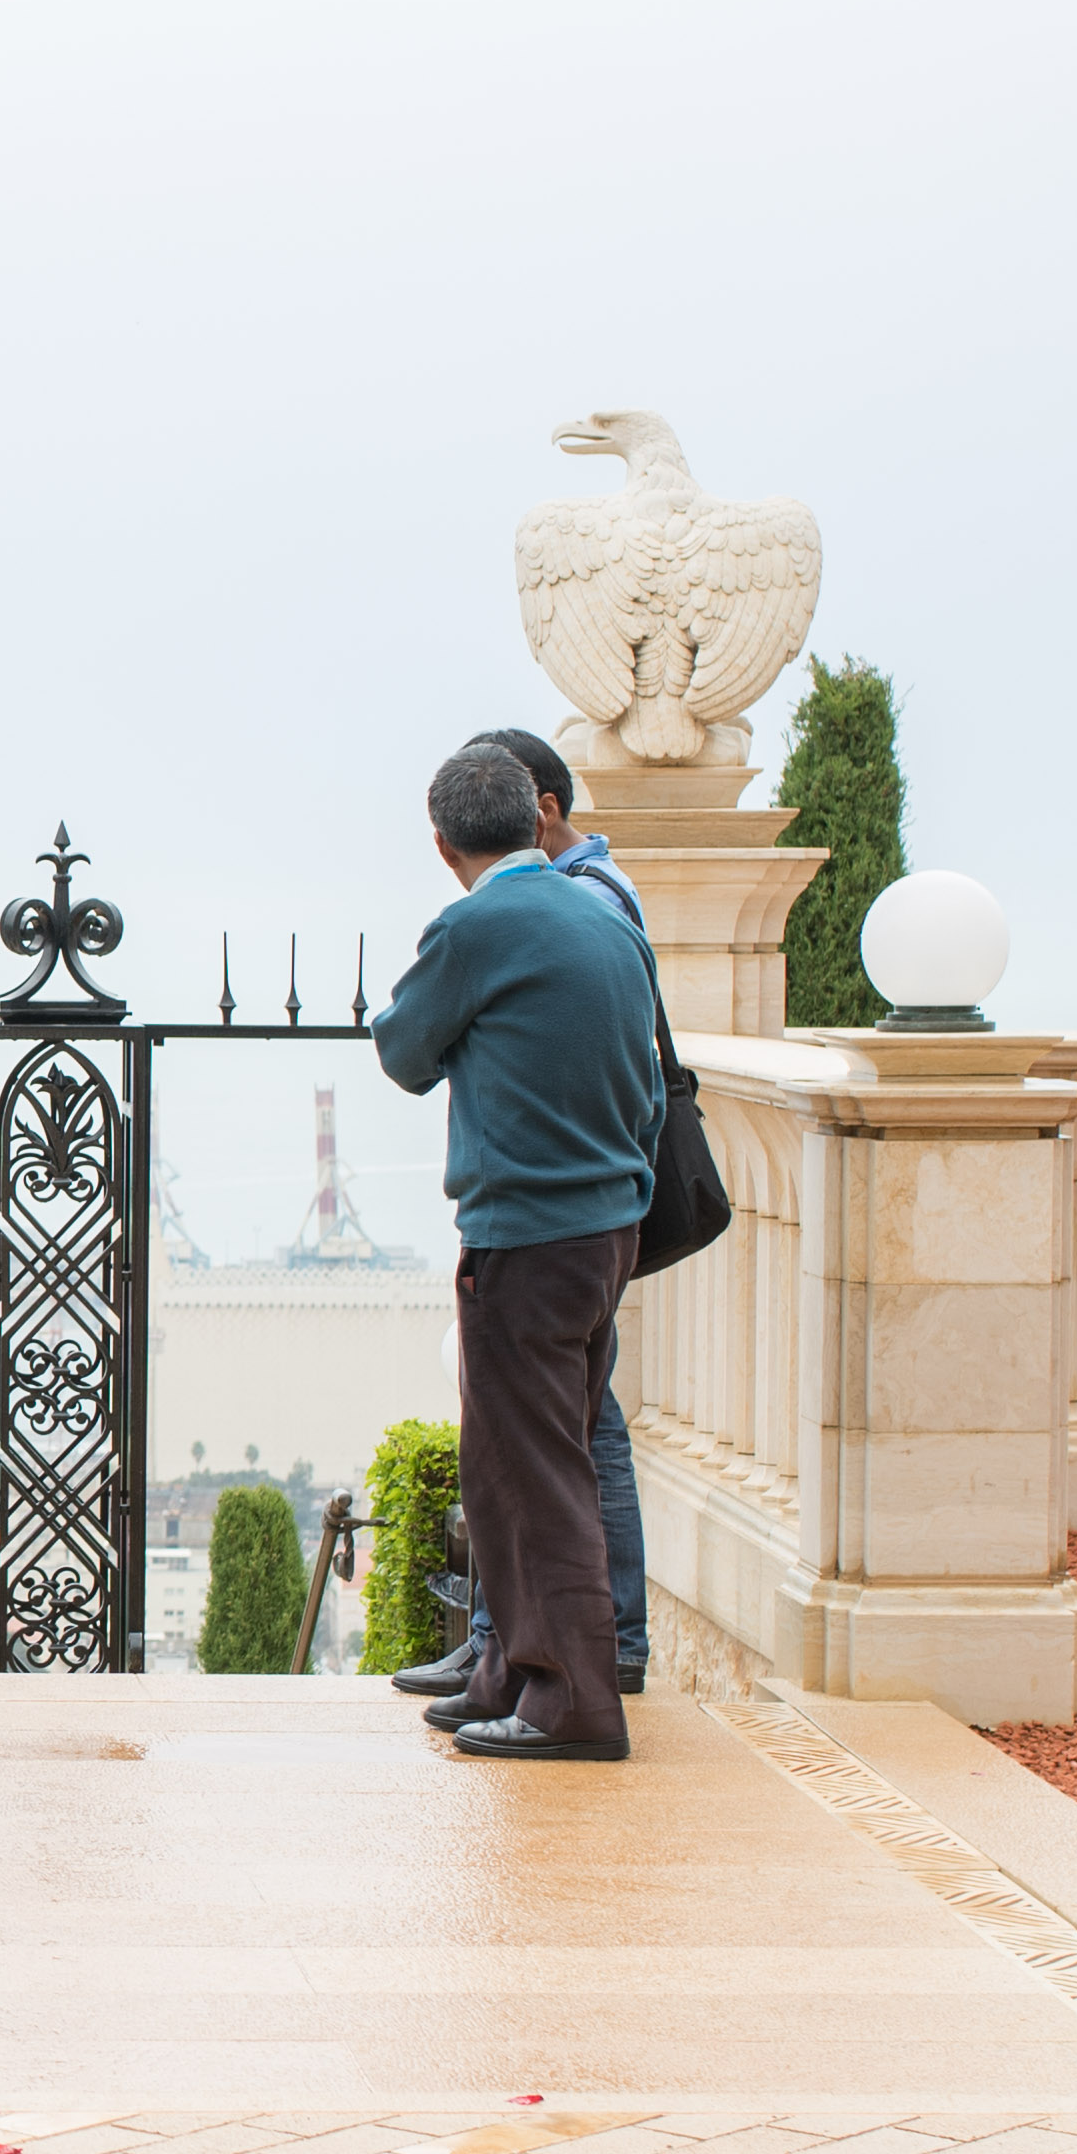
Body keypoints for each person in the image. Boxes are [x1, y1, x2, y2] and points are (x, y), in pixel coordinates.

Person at [373, 734, 665, 1760]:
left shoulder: (476, 923)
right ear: (537, 814)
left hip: (524, 1234)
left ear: (441, 833)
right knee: (515, 1465)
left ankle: (573, 1699)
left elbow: (404, 1049)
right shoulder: (605, 914)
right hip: (606, 1226)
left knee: (535, 1475)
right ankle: (509, 1668)